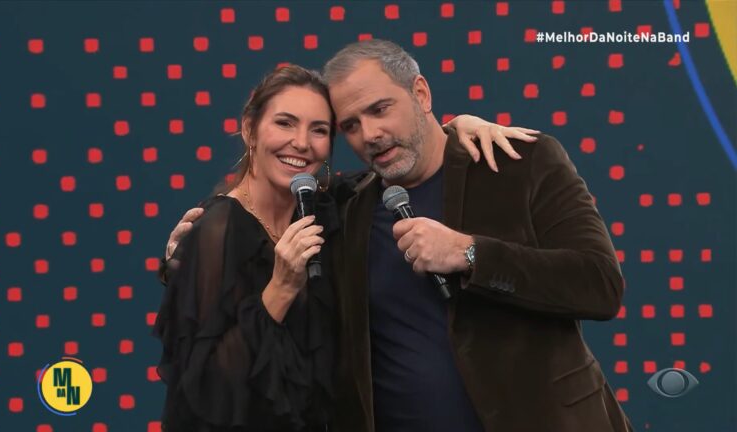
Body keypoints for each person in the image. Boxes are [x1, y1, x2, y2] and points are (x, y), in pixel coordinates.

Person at [152, 63, 538, 431]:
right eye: (285, 123)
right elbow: (205, 393)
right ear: (250, 129)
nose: (300, 143)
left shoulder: (325, 207)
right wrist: (280, 289)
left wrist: (455, 128)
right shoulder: (215, 230)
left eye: (318, 130)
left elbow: (398, 162)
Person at [323, 40, 633, 432]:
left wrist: (470, 253)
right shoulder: (348, 206)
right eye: (350, 125)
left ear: (420, 93)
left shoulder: (520, 163)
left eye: (380, 109)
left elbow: (599, 285)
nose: (369, 134)